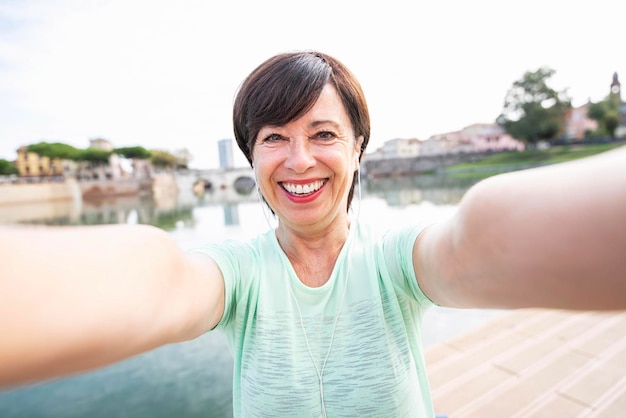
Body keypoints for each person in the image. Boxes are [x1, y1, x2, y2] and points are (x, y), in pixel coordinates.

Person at [1, 50, 625, 417]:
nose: (298, 160)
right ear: (251, 157)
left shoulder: (390, 259)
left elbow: (471, 243)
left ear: (358, 148)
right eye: (274, 137)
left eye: (323, 134)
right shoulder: (236, 273)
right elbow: (159, 283)